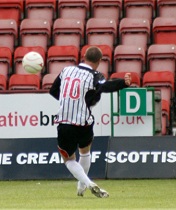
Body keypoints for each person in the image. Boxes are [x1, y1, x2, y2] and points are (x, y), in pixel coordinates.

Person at [49, 46, 131, 198]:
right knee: (85, 152)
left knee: (68, 159)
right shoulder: (95, 75)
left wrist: (67, 101)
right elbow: (106, 86)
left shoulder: (66, 70)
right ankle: (82, 187)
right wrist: (123, 83)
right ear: (100, 61)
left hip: (65, 121)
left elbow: (53, 90)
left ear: (83, 56)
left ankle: (87, 183)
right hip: (84, 122)